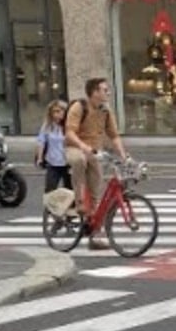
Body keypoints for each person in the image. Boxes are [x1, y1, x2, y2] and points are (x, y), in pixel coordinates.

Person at [64, 77, 128, 250]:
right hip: (76, 148)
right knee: (80, 160)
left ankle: (95, 234)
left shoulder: (105, 111)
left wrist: (124, 156)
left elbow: (114, 135)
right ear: (94, 92)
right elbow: (69, 132)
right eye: (104, 90)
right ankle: (79, 202)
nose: (107, 93)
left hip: (95, 152)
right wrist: (84, 146)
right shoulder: (79, 107)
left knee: (97, 195)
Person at [35, 100, 72, 195]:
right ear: (51, 113)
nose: (59, 114)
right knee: (50, 190)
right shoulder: (47, 126)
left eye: (61, 111)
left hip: (68, 163)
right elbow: (41, 141)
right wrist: (39, 158)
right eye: (56, 111)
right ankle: (50, 209)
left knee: (70, 191)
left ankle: (71, 208)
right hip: (53, 162)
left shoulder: (70, 126)